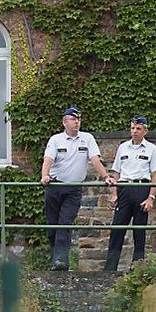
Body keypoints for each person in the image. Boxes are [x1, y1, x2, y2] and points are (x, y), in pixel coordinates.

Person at [40, 106, 115, 270]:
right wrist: (44, 175)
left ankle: (61, 261)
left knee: (64, 224)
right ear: (64, 122)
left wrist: (106, 177)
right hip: (55, 186)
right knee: (52, 227)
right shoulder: (55, 140)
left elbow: (95, 159)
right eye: (73, 119)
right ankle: (56, 260)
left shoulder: (87, 138)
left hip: (73, 190)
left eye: (78, 119)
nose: (77, 122)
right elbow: (48, 160)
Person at [104, 116, 156, 271]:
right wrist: (114, 193)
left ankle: (138, 269)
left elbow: (155, 174)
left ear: (145, 130)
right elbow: (116, 172)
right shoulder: (123, 147)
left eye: (138, 129)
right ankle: (110, 269)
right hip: (124, 188)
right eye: (132, 128)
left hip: (141, 188)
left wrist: (151, 197)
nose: (134, 131)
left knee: (139, 231)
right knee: (117, 229)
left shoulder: (152, 149)